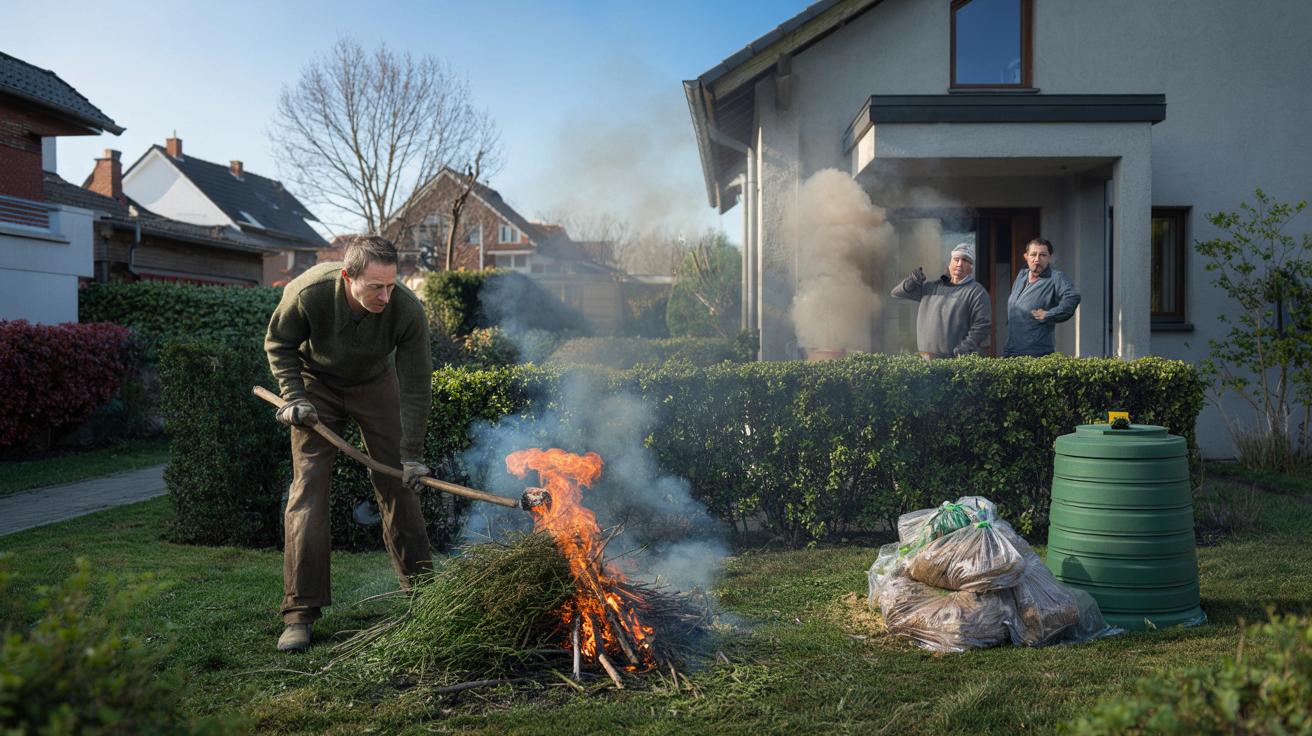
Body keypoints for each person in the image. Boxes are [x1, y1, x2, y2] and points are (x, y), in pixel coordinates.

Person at [263, 236, 433, 652]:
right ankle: (300, 614)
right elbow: (279, 344)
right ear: (347, 277)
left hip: (375, 384)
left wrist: (411, 455)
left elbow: (415, 384)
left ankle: (426, 596)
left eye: (391, 285)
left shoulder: (407, 310)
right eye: (376, 286)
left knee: (399, 484)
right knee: (308, 490)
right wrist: (293, 397)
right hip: (315, 384)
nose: (385, 295)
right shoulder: (308, 293)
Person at [890, 241, 992, 359]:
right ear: (950, 263)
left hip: (956, 365)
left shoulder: (976, 292)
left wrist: (960, 352)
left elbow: (982, 326)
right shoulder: (931, 287)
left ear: (971, 268)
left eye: (965, 260)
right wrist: (912, 281)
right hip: (925, 361)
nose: (959, 264)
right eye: (956, 259)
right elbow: (896, 293)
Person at [1003, 237, 1081, 357]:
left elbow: (1073, 297)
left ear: (1050, 257)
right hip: (1011, 350)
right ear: (1026, 257)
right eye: (1033, 255)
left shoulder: (1056, 277)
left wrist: (1049, 314)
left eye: (1043, 255)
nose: (1037, 259)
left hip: (1036, 354)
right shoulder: (1022, 275)